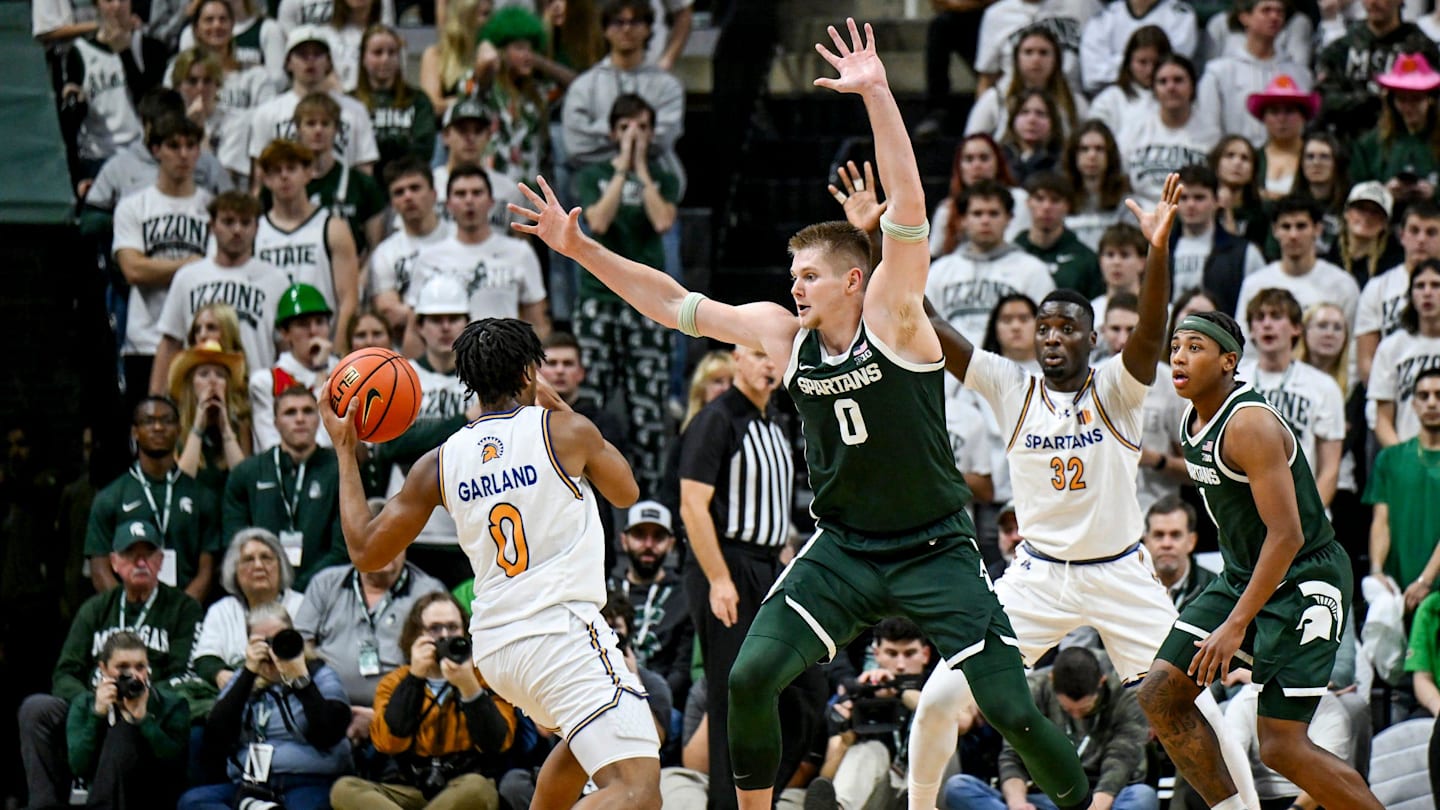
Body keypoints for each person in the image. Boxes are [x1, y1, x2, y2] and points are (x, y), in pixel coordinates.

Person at [513, 20, 1098, 810]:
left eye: (812, 275)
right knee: (748, 676)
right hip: (844, 548)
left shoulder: (895, 314)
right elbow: (671, 302)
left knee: (1011, 711)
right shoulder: (779, 335)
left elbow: (912, 207)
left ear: (854, 279)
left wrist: (878, 94)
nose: (796, 285)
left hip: (935, 548)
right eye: (793, 274)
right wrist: (583, 252)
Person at [910, 174, 1255, 810]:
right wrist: (889, 239)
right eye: (1044, 328)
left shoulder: (1118, 390)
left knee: (1200, 712)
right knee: (936, 700)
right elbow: (927, 322)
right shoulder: (1010, 386)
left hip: (1121, 573)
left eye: (1067, 328)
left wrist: (1158, 251)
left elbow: (1152, 327)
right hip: (1036, 576)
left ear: (1091, 340)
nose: (1051, 337)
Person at [322, 313, 660, 809]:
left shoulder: (439, 461)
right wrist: (563, 408)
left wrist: (346, 451)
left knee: (577, 756)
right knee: (637, 790)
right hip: (561, 632)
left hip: (497, 649)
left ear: (468, 383)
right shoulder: (566, 432)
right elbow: (626, 492)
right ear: (529, 372)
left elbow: (365, 549)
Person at [1138, 309, 1383, 810]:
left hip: (1303, 579)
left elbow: (1288, 535)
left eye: (1195, 347)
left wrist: (1234, 625)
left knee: (1282, 747)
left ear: (1229, 361)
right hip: (1244, 574)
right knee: (1160, 695)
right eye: (1177, 345)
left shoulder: (1249, 424)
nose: (1179, 356)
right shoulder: (1192, 418)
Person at [675, 342, 795, 809]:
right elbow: (691, 505)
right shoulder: (717, 419)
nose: (770, 364)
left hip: (768, 565)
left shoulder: (775, 421)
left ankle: (764, 798)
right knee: (734, 699)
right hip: (726, 565)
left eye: (776, 356)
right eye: (759, 354)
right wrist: (720, 579)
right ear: (736, 359)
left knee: (801, 690)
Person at [19, 518, 204, 810]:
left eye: (148, 555)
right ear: (115, 562)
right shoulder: (95, 609)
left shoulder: (184, 608)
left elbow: (188, 673)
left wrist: (139, 693)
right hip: (94, 702)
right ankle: (44, 804)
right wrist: (91, 704)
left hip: (149, 708)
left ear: (160, 561)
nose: (140, 562)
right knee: (36, 709)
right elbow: (65, 672)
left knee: (130, 724)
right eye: (131, 555)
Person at [573, 92, 680, 498]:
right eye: (625, 127)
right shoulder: (593, 174)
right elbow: (597, 221)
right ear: (612, 132)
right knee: (592, 403)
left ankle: (647, 509)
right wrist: (622, 168)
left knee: (648, 413)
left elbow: (663, 219)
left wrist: (640, 168)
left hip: (647, 305)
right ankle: (587, 498)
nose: (634, 134)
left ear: (653, 133)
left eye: (642, 127)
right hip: (598, 301)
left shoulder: (662, 177)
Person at [328, 591, 519, 810]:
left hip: (463, 788)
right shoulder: (395, 681)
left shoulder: (484, 678)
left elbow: (497, 744)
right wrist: (415, 679)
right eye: (435, 629)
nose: (445, 636)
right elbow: (387, 742)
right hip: (410, 788)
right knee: (344, 789)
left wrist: (469, 688)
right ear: (416, 635)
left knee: (478, 788)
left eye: (453, 627)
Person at [179, 602, 353, 810]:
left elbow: (330, 733)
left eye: (278, 639)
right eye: (262, 643)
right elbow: (215, 738)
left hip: (308, 780)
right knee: (193, 802)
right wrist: (249, 673)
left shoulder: (320, 674)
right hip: (251, 785)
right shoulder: (242, 680)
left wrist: (300, 680)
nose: (271, 651)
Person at [943, 647, 1157, 810]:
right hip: (1043, 796)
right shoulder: (1033, 689)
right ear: (1052, 679)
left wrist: (1097, 806)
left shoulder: (1125, 694)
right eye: (1068, 709)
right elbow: (1012, 755)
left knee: (1143, 797)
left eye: (1085, 709)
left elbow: (1121, 759)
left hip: (1099, 797)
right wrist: (1017, 804)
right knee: (958, 787)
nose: (1075, 715)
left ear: (1101, 682)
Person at [293, 550, 446, 745]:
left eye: (394, 541)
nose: (385, 547)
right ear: (355, 545)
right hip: (326, 711)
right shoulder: (326, 582)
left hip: (400, 717)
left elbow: (435, 662)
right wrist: (328, 708)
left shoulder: (428, 591)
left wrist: (380, 716)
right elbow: (301, 647)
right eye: (377, 541)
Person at [112, 114, 213, 406]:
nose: (183, 154)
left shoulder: (213, 208)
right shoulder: (133, 207)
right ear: (156, 150)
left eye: (190, 146)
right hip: (144, 339)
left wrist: (162, 268)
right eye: (173, 146)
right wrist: (191, 265)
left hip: (199, 341)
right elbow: (133, 269)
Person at [85, 395, 221, 599]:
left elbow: (207, 572)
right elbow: (99, 570)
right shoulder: (110, 497)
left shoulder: (203, 497)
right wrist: (130, 613)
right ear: (135, 432)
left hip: (187, 616)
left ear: (178, 430)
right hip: (129, 620)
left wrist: (181, 613)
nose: (158, 427)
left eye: (166, 421)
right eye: (149, 421)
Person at [405, 165, 549, 351]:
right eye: (460, 194)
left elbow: (538, 323)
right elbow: (414, 328)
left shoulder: (520, 253)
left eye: (477, 193)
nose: (469, 200)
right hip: (449, 365)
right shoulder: (428, 257)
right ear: (448, 204)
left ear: (491, 201)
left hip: (505, 361)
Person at [153, 191, 290, 387]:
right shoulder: (188, 277)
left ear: (257, 227)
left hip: (256, 396)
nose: (237, 230)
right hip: (197, 394)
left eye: (245, 223)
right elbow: (169, 344)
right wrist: (157, 401)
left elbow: (284, 349)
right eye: (228, 221)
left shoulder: (276, 280)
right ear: (212, 226)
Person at [224, 386, 348, 591]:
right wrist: (269, 584)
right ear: (275, 423)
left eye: (307, 411)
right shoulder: (248, 473)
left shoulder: (341, 471)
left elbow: (342, 548)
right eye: (290, 413)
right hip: (261, 591)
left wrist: (301, 588)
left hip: (323, 591)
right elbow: (235, 543)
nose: (300, 419)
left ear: (319, 419)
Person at [562, 0, 686, 199]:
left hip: (656, 196)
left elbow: (663, 140)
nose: (627, 29)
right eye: (618, 22)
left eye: (635, 22)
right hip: (598, 197)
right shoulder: (583, 86)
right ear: (605, 29)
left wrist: (607, 133)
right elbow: (576, 146)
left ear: (647, 29)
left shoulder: (667, 86)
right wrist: (635, 135)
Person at [1238, 289, 1347, 507]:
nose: (1267, 324)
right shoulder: (1233, 380)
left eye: (1277, 317)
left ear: (1297, 328)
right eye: (1260, 318)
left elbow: (1330, 468)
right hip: (1244, 511)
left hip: (1302, 511)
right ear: (1251, 331)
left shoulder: (1323, 386)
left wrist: (1312, 519)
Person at [812, 617, 934, 810]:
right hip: (884, 791)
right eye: (892, 654)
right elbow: (826, 778)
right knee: (870, 750)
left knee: (941, 737)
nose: (901, 664)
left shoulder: (939, 686)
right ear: (876, 654)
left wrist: (900, 691)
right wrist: (845, 742)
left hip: (930, 788)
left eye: (909, 654)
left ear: (925, 654)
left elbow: (961, 721)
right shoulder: (860, 697)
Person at [254, 138, 361, 356]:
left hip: (321, 346)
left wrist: (338, 352)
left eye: (291, 169)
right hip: (271, 349)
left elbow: (348, 298)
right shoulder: (255, 231)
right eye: (276, 171)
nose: (284, 176)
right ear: (265, 179)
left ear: (308, 172)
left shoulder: (333, 227)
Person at [241, 25, 380, 186]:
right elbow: (260, 172)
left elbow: (364, 167)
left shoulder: (355, 110)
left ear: (328, 62)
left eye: (317, 54)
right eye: (302, 54)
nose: (310, 60)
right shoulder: (267, 113)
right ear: (288, 63)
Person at [66, 631, 190, 810]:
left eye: (140, 667)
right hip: (101, 794)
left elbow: (176, 766)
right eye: (122, 667)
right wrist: (97, 714)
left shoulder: (172, 704)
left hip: (154, 796)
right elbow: (79, 766)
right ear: (103, 668)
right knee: (119, 732)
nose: (133, 675)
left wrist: (143, 719)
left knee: (124, 732)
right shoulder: (84, 704)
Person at [55, 0, 169, 191]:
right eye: (108, 0)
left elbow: (151, 106)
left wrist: (124, 52)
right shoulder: (79, 52)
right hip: (98, 158)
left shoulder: (151, 47)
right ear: (96, 5)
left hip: (142, 156)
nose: (116, 6)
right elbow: (69, 127)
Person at [928, 180, 1055, 346]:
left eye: (993, 213)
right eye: (977, 214)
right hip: (951, 369)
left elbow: (1047, 328)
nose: (985, 221)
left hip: (1011, 368)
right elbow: (925, 327)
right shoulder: (940, 271)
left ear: (1009, 218)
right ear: (963, 220)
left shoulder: (1032, 270)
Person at [189, 528, 308, 694]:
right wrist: (220, 674)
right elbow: (204, 658)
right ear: (234, 571)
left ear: (281, 565)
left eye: (266, 557)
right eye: (248, 559)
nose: (258, 565)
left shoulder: (303, 605)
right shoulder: (222, 609)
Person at [1366, 367, 1440, 614]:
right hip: (1400, 590)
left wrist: (1425, 580)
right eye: (1424, 395)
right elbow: (1381, 521)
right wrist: (1376, 571)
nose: (1431, 403)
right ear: (1413, 404)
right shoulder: (1390, 459)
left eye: (1439, 395)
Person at [1234, 197, 1360, 340]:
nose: (1293, 235)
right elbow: (1245, 348)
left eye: (1301, 226)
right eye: (1286, 227)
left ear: (1318, 229)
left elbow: (1352, 349)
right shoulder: (1255, 285)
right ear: (1275, 230)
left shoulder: (1343, 284)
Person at [1315, 0, 1440, 141]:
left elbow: (1432, 103)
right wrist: (1373, 101)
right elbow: (1326, 101)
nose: (1374, 2)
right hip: (1348, 141)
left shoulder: (1420, 48)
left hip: (1404, 141)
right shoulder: (1340, 49)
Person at [1195, 0, 1311, 150]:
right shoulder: (1218, 72)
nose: (1274, 17)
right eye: (1266, 11)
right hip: (1232, 162)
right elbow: (1209, 131)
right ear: (1245, 17)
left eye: (1279, 12)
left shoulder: (1299, 74)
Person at [607, 501, 693, 698]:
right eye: (639, 535)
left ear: (671, 544)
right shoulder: (604, 590)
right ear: (624, 540)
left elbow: (682, 670)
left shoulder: (685, 596)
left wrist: (650, 700)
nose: (648, 545)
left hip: (661, 701)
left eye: (658, 537)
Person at [287, 92, 388, 253]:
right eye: (311, 124)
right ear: (298, 129)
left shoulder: (363, 184)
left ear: (337, 130)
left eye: (325, 124)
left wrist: (358, 278)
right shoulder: (284, 185)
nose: (318, 130)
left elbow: (376, 248)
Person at [1116, 55, 1218, 210]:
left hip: (1189, 215)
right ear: (1154, 90)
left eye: (1178, 80)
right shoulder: (1134, 129)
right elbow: (1119, 178)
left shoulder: (1211, 134)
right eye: (1162, 81)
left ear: (1192, 86)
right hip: (1139, 216)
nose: (1171, 87)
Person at [250, 283, 342, 451]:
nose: (313, 331)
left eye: (320, 322)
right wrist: (320, 373)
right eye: (303, 324)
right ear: (285, 333)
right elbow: (272, 447)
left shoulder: (345, 373)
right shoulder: (266, 382)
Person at [1356, 201, 1440, 383]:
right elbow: (1365, 361)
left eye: (1431, 232)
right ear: (1402, 236)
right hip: (1392, 389)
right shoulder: (1378, 287)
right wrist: (1388, 396)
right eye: (1414, 231)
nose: (1421, 239)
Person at [370, 157, 453, 337]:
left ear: (434, 194)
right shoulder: (385, 253)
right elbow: (389, 313)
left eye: (415, 188)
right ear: (392, 203)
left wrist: (409, 312)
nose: (408, 196)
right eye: (399, 192)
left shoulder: (458, 238)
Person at [1167, 164, 1264, 316]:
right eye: (1183, 198)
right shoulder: (1161, 250)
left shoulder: (1244, 253)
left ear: (1217, 200)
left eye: (1199, 197)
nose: (1191, 204)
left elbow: (1258, 307)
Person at [1351, 53, 1440, 211]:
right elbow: (1356, 195)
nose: (1408, 107)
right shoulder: (1371, 143)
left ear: (1430, 100)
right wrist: (1383, 193)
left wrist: (1435, 192)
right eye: (1402, 99)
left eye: (1416, 99)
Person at [965, 27, 1087, 142]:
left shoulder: (1074, 102)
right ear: (1016, 59)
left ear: (1056, 59)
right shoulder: (995, 98)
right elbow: (971, 143)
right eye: (1028, 52)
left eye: (1043, 53)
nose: (1036, 59)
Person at [1371, 259, 1440, 448]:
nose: (1427, 293)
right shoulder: (1391, 347)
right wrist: (1402, 458)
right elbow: (1383, 418)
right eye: (1420, 286)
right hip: (1406, 452)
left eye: (1436, 285)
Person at [352, 24, 436, 179]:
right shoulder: (350, 102)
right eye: (377, 53)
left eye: (392, 53)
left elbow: (424, 151)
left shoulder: (419, 101)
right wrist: (400, 144)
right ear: (363, 57)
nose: (385, 59)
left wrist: (378, 147)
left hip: (407, 182)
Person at [171, 339, 254, 490]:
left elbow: (245, 485)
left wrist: (226, 429)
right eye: (204, 374)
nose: (213, 381)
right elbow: (181, 486)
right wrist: (197, 426)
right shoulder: (175, 428)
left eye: (220, 375)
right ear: (191, 385)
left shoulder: (240, 426)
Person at [930, 136, 1032, 258]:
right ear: (959, 167)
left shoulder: (1019, 199)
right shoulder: (947, 209)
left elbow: (1017, 242)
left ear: (998, 163)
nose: (977, 165)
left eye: (984, 158)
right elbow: (934, 252)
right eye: (969, 159)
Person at [1015, 171, 1103, 299]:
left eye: (1055, 200)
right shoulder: (1014, 251)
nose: (1046, 207)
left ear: (1067, 206)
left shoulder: (1086, 259)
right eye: (1039, 199)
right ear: (1028, 203)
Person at [1078, 0, 1196, 94]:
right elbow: (1093, 76)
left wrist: (1117, 63)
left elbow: (1171, 66)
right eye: (1141, 62)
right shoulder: (1105, 17)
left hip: (1161, 98)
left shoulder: (1180, 15)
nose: (1148, 68)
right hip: (1114, 97)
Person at [1088, 26, 1168, 142]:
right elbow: (1094, 138)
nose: (1150, 70)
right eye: (1142, 62)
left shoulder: (1176, 98)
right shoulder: (1110, 99)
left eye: (1156, 63)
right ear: (1129, 63)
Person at [1063, 120, 1133, 252]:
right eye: (1084, 149)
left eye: (1099, 149)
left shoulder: (1127, 204)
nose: (1092, 155)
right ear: (1073, 155)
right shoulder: (1060, 199)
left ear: (1110, 155)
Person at [1325, 180, 1404, 293]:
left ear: (1385, 223)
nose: (1367, 216)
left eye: (1375, 212)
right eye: (1361, 208)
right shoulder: (1329, 258)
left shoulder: (1394, 267)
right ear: (1346, 213)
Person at [1143, 496, 1216, 611]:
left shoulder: (1214, 591)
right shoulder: (1130, 587)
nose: (1166, 544)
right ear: (1146, 541)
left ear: (1191, 541)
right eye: (1159, 535)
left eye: (1175, 535)